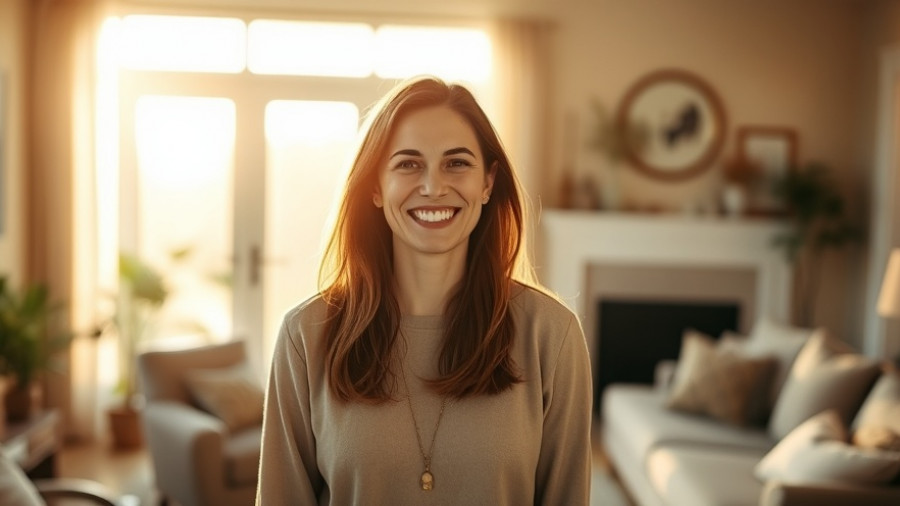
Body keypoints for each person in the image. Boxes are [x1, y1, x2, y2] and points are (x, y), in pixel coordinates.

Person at [256, 76, 592, 505]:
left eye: (457, 163)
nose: (433, 187)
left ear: (488, 183)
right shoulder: (306, 335)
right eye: (408, 164)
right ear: (375, 186)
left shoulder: (552, 335)